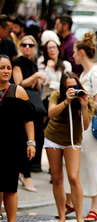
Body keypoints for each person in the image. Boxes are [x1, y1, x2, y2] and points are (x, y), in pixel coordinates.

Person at [63, 31, 97, 222]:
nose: (73, 55)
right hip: (84, 125)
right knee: (83, 165)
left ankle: (94, 207)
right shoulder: (85, 73)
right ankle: (76, 203)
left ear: (82, 52)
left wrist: (84, 100)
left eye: (75, 52)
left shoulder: (95, 74)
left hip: (93, 126)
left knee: (93, 165)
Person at [46, 72, 93, 222]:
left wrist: (84, 106)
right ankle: (61, 217)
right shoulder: (57, 95)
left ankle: (80, 219)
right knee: (57, 178)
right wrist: (66, 101)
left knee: (73, 177)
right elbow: (51, 114)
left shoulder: (85, 97)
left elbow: (85, 126)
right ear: (63, 87)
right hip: (53, 138)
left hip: (73, 140)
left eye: (75, 86)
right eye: (69, 87)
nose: (73, 90)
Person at [0, 54, 36, 222]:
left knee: (10, 188)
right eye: (2, 68)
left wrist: (31, 142)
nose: (6, 71)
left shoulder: (18, 91)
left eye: (8, 68)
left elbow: (29, 119)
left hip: (12, 146)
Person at [12, 35, 47, 188]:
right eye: (24, 44)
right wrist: (35, 76)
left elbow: (37, 88)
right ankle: (25, 175)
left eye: (30, 45)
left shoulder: (33, 63)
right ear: (20, 45)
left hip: (33, 104)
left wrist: (39, 80)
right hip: (20, 103)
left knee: (32, 139)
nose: (27, 47)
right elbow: (19, 83)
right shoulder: (17, 62)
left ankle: (24, 173)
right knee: (23, 138)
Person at [38, 30, 72, 99]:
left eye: (54, 47)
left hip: (62, 96)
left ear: (58, 50)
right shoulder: (41, 64)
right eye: (49, 48)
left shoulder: (66, 65)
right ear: (46, 51)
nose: (52, 50)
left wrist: (50, 84)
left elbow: (66, 84)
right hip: (47, 98)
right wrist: (48, 67)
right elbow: (43, 82)